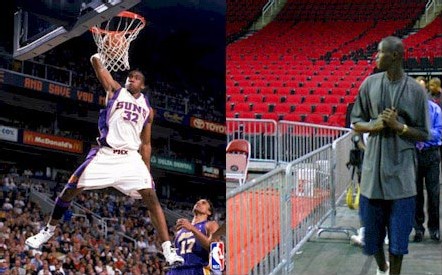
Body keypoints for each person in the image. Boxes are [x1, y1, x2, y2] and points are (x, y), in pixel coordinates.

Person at [25, 52, 184, 267]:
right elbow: (97, 67)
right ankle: (47, 231)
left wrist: (146, 169)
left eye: (136, 77)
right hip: (106, 153)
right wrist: (98, 55)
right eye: (130, 76)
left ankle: (168, 249)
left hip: (131, 159)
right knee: (70, 188)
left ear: (143, 86)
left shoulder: (149, 110)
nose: (131, 79)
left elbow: (146, 144)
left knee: (152, 198)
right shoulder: (116, 91)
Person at [350, 36, 430, 275]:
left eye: (379, 52)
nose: (376, 57)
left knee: (398, 240)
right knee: (372, 238)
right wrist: (374, 125)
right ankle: (382, 268)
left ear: (395, 55)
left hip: (402, 178)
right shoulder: (369, 84)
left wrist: (400, 127)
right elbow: (356, 122)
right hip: (372, 176)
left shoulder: (416, 91)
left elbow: (424, 134)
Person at [413, 77, 442, 243]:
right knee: (416, 194)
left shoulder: (435, 109)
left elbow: (439, 133)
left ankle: (434, 228)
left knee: (433, 193)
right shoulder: (409, 112)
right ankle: (418, 228)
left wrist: (421, 134)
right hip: (415, 154)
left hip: (431, 154)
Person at [168, 199, 219, 275]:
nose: (198, 203)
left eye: (203, 203)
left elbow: (213, 248)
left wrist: (192, 229)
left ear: (209, 212)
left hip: (197, 268)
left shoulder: (211, 224)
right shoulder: (182, 228)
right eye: (197, 202)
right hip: (177, 270)